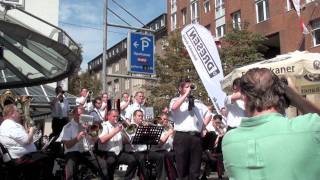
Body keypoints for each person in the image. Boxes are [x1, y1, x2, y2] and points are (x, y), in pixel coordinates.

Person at [222, 68, 320, 180]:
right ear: (281, 95)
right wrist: (296, 97)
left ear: (244, 98)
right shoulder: (309, 128)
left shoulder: (229, 141)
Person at [169, 79, 211, 180]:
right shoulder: (175, 100)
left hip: (196, 137)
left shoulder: (197, 102)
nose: (189, 89)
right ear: (180, 89)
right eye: (186, 87)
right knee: (182, 167)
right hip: (182, 136)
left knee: (195, 167)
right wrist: (185, 95)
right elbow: (174, 108)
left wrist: (202, 127)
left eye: (190, 87)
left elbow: (208, 114)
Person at [0, 104, 53, 179]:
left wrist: (28, 133)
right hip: (22, 158)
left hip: (20, 156)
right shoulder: (11, 125)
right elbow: (27, 140)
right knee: (48, 158)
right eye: (17, 111)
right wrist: (31, 130)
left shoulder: (6, 125)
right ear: (12, 113)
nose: (20, 113)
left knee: (44, 156)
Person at [58, 106, 107, 180]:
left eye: (82, 114)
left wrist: (89, 130)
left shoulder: (90, 125)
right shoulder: (67, 127)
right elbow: (67, 145)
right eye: (78, 114)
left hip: (87, 152)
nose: (80, 116)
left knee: (103, 164)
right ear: (73, 114)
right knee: (71, 167)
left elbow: (95, 140)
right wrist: (77, 138)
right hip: (73, 152)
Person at [125, 109, 166, 180]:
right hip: (135, 152)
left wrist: (147, 129)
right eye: (139, 116)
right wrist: (143, 130)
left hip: (145, 150)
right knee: (142, 159)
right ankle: (145, 177)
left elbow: (151, 139)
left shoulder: (144, 126)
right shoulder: (131, 127)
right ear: (134, 117)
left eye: (142, 116)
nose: (141, 117)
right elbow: (131, 141)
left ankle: (161, 178)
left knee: (159, 157)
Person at [97, 109, 138, 180]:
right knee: (110, 162)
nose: (116, 118)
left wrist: (123, 132)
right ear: (108, 116)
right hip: (107, 153)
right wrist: (115, 131)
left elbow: (127, 141)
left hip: (119, 153)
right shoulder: (104, 126)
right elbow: (102, 140)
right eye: (114, 116)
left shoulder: (119, 126)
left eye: (117, 116)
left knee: (133, 160)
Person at [152, 112, 177, 180]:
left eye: (166, 119)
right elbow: (160, 144)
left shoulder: (167, 129)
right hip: (157, 151)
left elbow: (172, 144)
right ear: (159, 120)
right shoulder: (156, 128)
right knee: (167, 155)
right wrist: (168, 133)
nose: (165, 121)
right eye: (164, 119)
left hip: (167, 150)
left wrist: (172, 135)